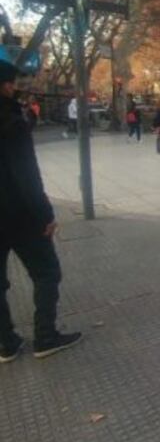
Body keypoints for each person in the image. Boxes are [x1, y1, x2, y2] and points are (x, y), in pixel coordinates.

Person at [0, 60, 82, 362]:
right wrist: (45, 214)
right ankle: (45, 335)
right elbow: (26, 173)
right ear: (5, 85)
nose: (13, 87)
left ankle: (6, 342)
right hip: (18, 214)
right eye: (10, 82)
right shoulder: (11, 119)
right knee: (47, 271)